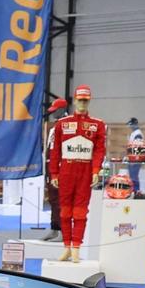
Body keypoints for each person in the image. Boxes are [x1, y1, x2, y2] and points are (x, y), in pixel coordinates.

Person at [50, 86, 106, 262]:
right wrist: (54, 173)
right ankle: (67, 246)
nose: (82, 103)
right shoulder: (62, 123)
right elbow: (55, 152)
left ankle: (76, 247)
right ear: (75, 100)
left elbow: (99, 150)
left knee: (81, 212)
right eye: (80, 100)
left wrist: (96, 170)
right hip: (66, 172)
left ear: (89, 101)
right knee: (64, 212)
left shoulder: (98, 124)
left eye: (86, 100)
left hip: (85, 173)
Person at [39, 97, 68, 239]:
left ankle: (63, 230)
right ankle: (54, 228)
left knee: (60, 199)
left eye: (55, 111)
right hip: (50, 166)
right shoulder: (54, 126)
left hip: (60, 167)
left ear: (62, 109)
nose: (53, 114)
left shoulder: (68, 125)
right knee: (52, 198)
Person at [124, 118, 145, 198]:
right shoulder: (134, 133)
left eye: (131, 125)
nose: (130, 126)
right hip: (133, 158)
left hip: (135, 159)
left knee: (134, 176)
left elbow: (137, 147)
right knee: (132, 176)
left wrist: (132, 158)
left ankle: (136, 191)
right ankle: (134, 191)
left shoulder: (137, 134)